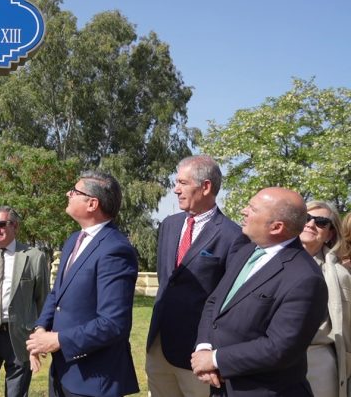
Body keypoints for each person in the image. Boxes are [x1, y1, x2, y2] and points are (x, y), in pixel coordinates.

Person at [192, 187, 329, 396]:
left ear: (276, 227)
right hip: (223, 387)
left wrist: (215, 359)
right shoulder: (247, 250)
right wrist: (204, 347)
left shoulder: (305, 279)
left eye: (253, 209)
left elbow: (280, 348)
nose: (243, 211)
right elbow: (215, 302)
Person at [26, 171, 139, 397]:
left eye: (75, 191)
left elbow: (113, 323)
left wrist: (57, 339)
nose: (68, 194)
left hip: (94, 378)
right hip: (63, 371)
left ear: (92, 203)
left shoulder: (115, 250)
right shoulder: (73, 241)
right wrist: (40, 331)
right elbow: (57, 293)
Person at [145, 155, 242, 397]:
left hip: (197, 352)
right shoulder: (169, 225)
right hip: (158, 345)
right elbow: (166, 278)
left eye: (183, 183)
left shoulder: (233, 236)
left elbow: (229, 301)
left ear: (206, 186)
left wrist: (210, 349)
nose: (176, 190)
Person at [0, 206, 49, 397]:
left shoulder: (34, 257)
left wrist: (40, 335)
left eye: (1, 224)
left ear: (15, 226)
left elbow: (42, 299)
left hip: (20, 338)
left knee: (16, 393)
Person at [299, 201, 351, 397]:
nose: (311, 225)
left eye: (321, 222)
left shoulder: (340, 275)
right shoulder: (264, 260)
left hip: (318, 362)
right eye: (306, 218)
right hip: (267, 360)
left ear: (330, 234)